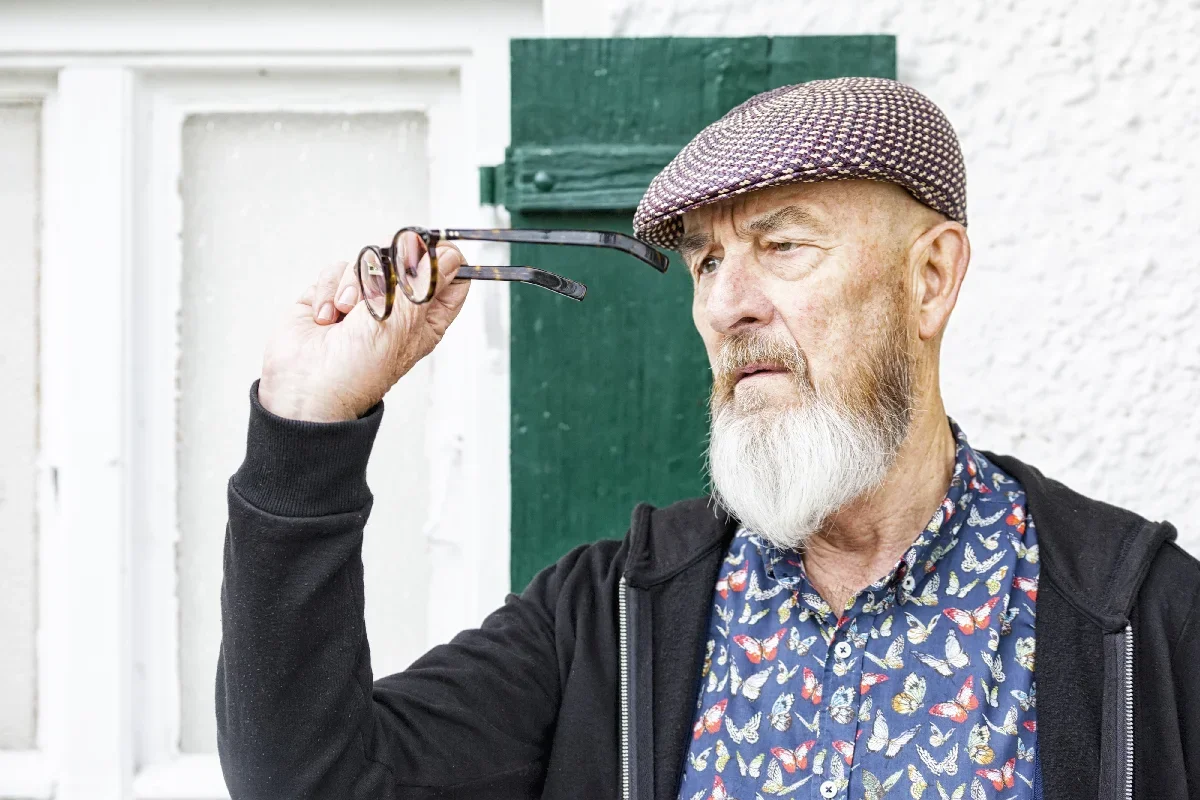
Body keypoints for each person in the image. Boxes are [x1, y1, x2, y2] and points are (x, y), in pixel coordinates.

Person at [216, 77, 1199, 800]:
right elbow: (311, 782)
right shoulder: (603, 621)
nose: (728, 303)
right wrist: (308, 420)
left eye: (781, 244)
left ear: (929, 278)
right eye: (707, 260)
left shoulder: (1137, 614)